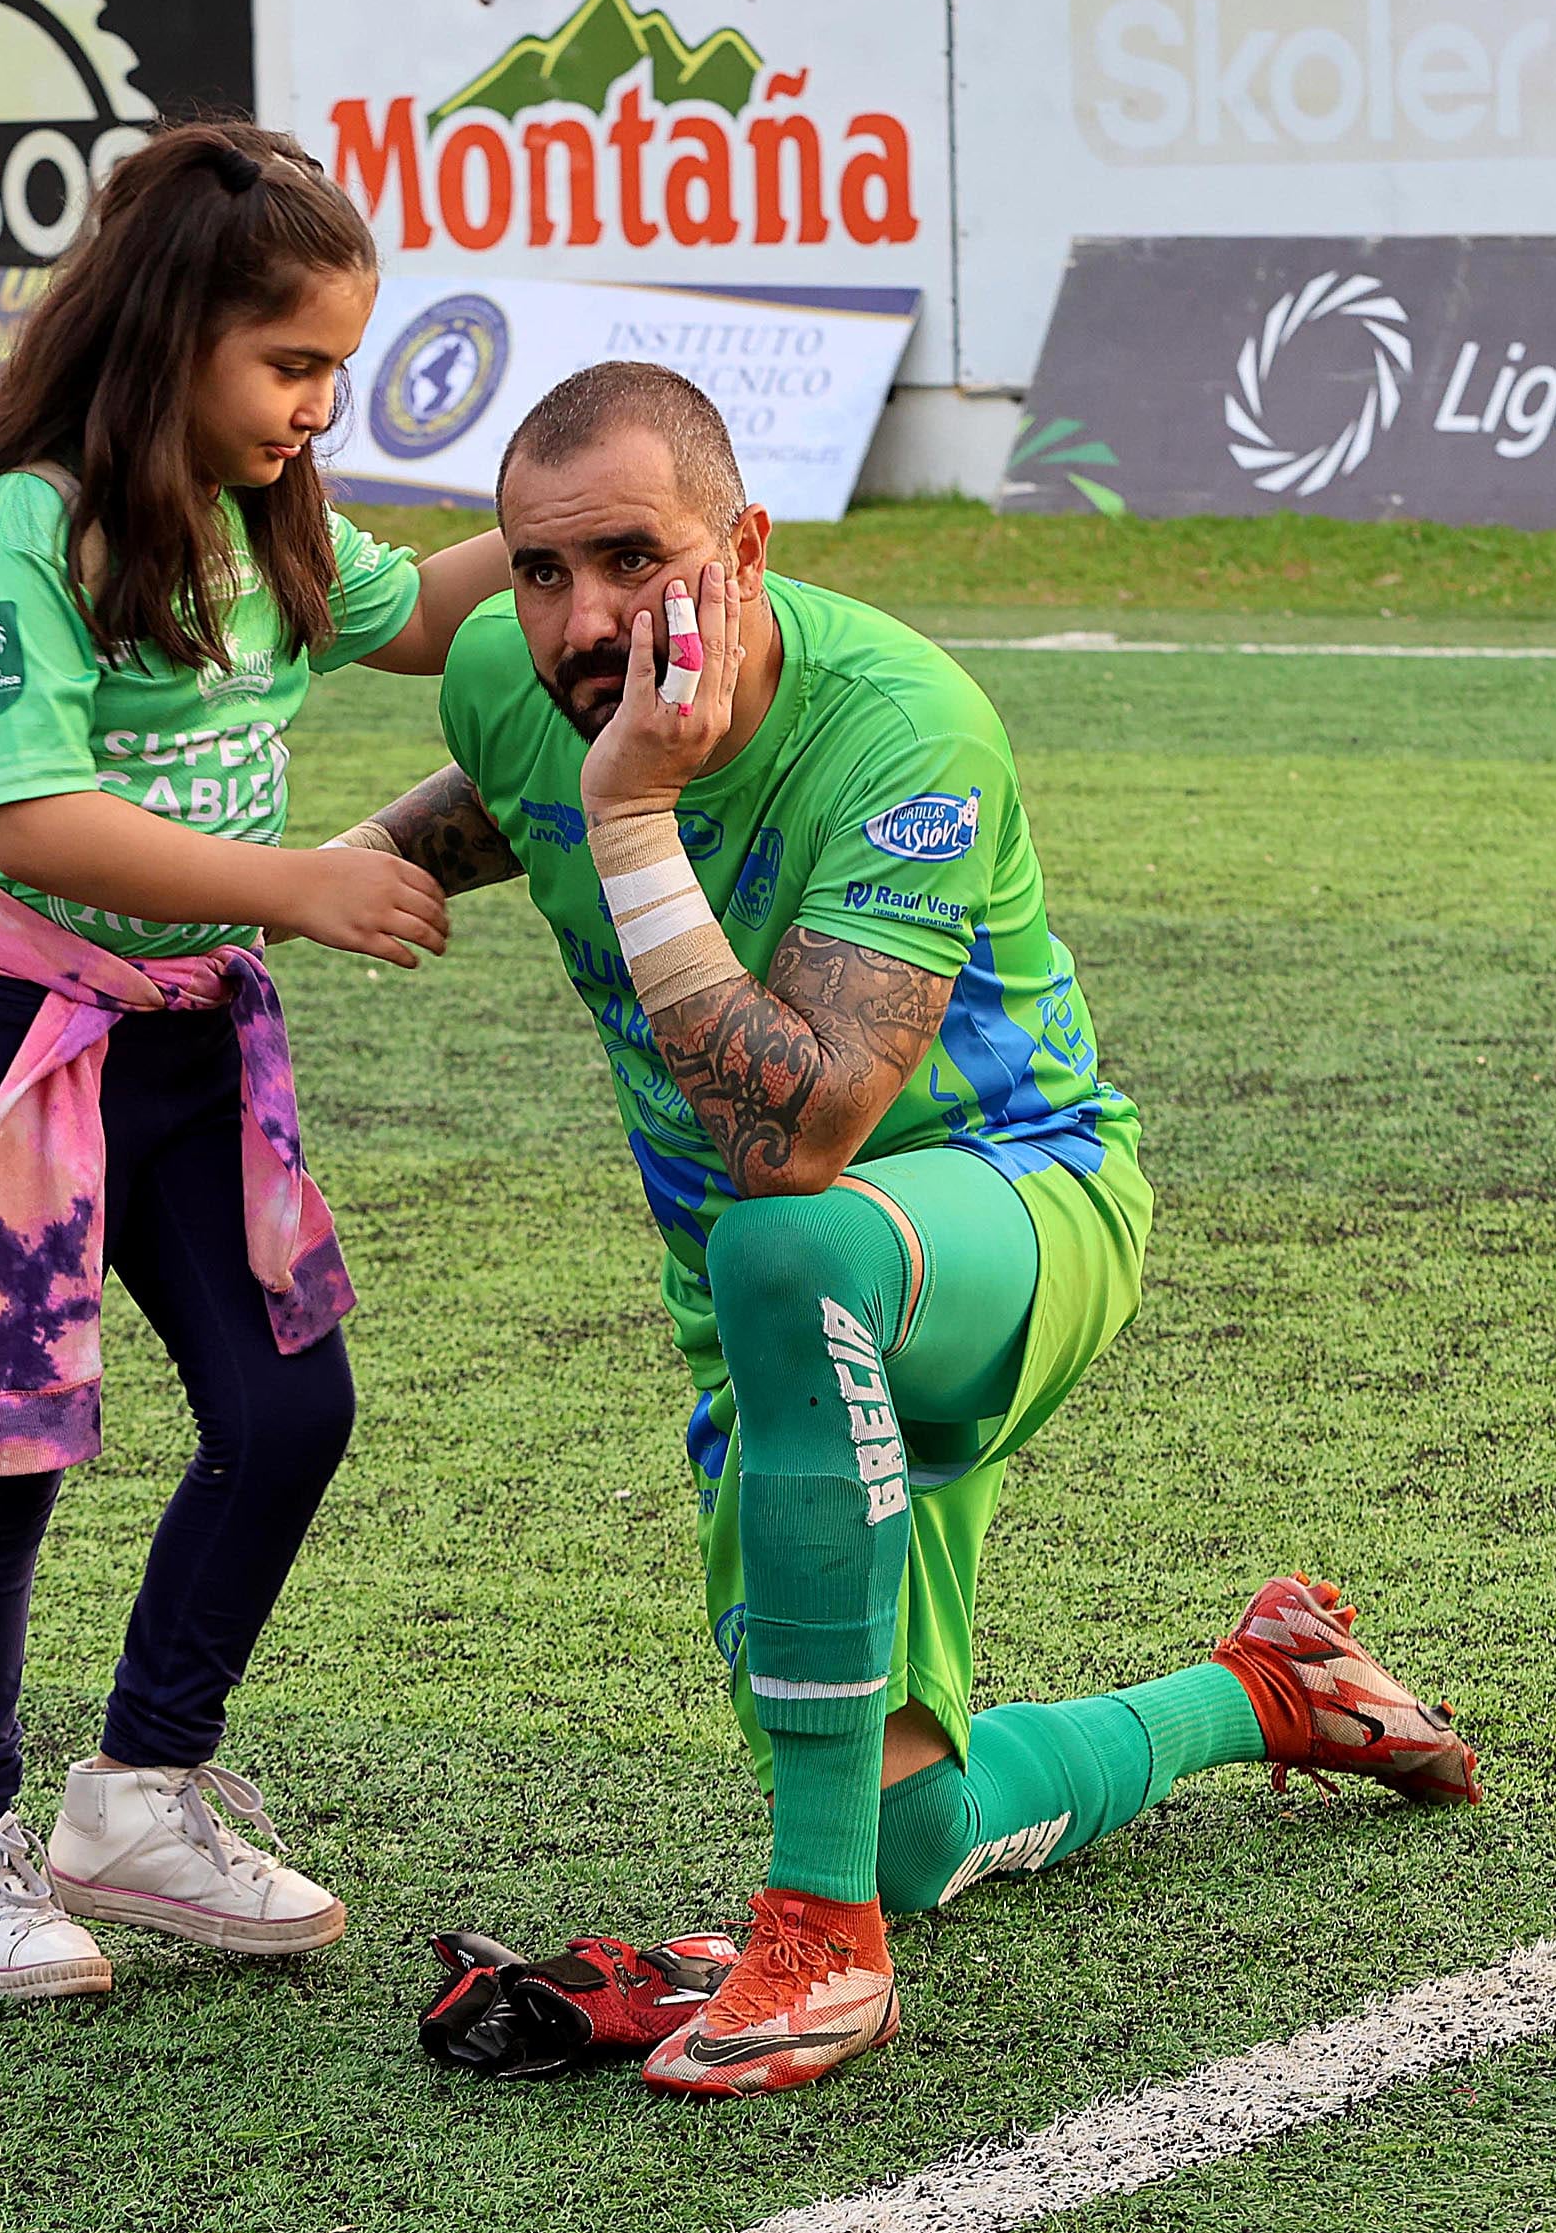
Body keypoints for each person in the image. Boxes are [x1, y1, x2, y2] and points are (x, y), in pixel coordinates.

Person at [347, 363, 1479, 2096]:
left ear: (746, 547)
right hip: (776, 1312)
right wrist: (249, 893)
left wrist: (633, 810)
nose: (586, 622)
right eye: (539, 570)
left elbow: (795, 1137)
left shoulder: (905, 726)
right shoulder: (520, 678)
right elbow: (503, 795)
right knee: (908, 1827)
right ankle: (1264, 1688)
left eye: (637, 560)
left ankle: (817, 1948)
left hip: (1013, 1212)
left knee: (786, 1249)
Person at [0, 122, 514, 2000]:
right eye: (291, 362)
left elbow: (429, 613)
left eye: (336, 367)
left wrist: (594, 523)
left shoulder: (261, 516)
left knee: (293, 1410)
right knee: (3, 1448)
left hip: (188, 1035)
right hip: (0, 1039)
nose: (321, 404)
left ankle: (136, 1794)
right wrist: (296, 882)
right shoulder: (22, 534)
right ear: (172, 332)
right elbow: (34, 818)